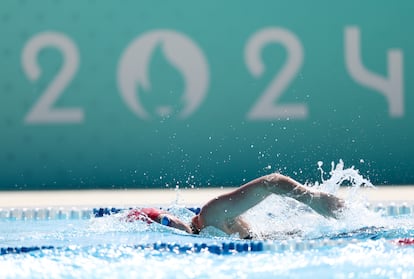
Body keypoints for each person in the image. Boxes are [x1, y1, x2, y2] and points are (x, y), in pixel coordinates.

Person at [125, 173, 345, 239]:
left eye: (165, 220)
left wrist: (313, 199)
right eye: (162, 228)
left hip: (317, 237)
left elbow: (271, 182)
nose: (170, 227)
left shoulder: (210, 216)